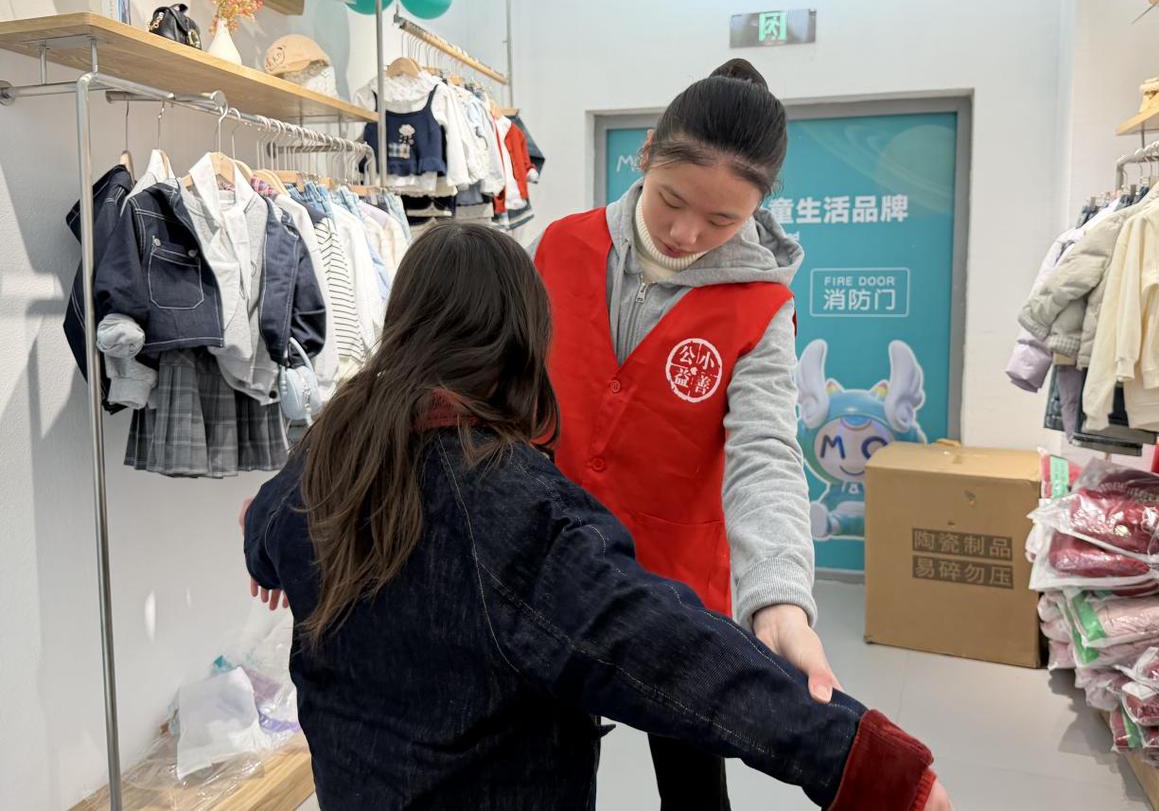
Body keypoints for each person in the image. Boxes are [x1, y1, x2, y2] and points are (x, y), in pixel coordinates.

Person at [241, 222, 952, 810]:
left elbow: (264, 535)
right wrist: (864, 761)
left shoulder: (330, 452)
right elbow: (674, 657)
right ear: (521, 337)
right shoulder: (512, 508)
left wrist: (269, 555)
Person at [530, 58, 829, 808]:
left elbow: (765, 453)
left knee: (693, 779)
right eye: (672, 199)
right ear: (647, 153)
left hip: (678, 583)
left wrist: (779, 598)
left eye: (722, 221)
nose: (688, 232)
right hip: (553, 560)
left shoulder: (760, 306)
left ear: (758, 207)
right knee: (544, 759)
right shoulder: (560, 247)